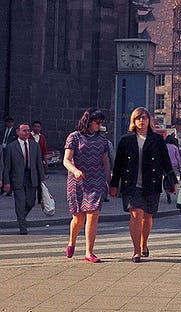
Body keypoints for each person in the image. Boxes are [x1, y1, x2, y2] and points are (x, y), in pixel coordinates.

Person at [110, 107, 177, 263]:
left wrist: (172, 180)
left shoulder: (157, 139)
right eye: (138, 118)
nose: (141, 121)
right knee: (136, 214)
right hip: (131, 183)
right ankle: (136, 251)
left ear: (149, 120)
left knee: (147, 217)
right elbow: (118, 164)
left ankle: (144, 243)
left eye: (144, 118)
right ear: (133, 121)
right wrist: (114, 184)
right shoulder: (126, 140)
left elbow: (166, 161)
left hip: (151, 182)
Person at [63, 108, 111, 262]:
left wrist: (110, 182)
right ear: (88, 121)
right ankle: (72, 241)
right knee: (78, 219)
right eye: (97, 122)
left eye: (101, 123)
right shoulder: (74, 137)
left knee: (93, 214)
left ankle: (89, 252)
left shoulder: (102, 140)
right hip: (77, 181)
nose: (99, 125)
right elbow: (66, 160)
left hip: (96, 180)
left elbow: (106, 162)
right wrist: (75, 170)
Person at [2, 123, 45, 234]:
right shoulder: (11, 147)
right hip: (18, 179)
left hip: (32, 177)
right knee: (20, 203)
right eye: (24, 131)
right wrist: (6, 182)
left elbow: (39, 163)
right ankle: (22, 227)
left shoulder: (34, 145)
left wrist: (42, 179)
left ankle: (21, 218)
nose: (26, 133)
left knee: (31, 202)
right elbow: (6, 167)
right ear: (18, 132)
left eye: (27, 130)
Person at [165, 134, 181, 201]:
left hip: (165, 165)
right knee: (174, 179)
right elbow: (178, 157)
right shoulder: (175, 147)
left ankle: (168, 193)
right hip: (174, 165)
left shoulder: (164, 147)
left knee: (166, 179)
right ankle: (174, 190)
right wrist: (180, 167)